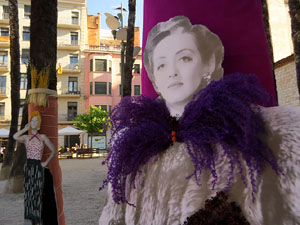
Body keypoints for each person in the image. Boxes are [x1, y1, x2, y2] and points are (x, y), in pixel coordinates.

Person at [99, 16, 300, 225]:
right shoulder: (134, 143)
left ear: (207, 65)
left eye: (184, 58)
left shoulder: (250, 130)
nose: (172, 72)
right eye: (161, 65)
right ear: (155, 79)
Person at [14, 111, 56, 225]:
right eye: (32, 120)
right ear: (30, 122)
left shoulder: (42, 137)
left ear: (39, 123)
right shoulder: (26, 137)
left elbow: (53, 150)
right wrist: (24, 129)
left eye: (36, 120)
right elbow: (15, 136)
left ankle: (38, 217)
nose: (34, 122)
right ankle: (30, 216)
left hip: (38, 164)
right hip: (28, 165)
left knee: (37, 191)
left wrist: (45, 162)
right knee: (29, 191)